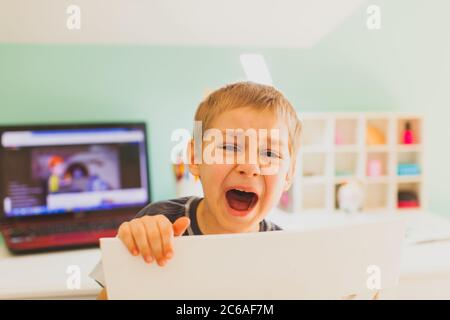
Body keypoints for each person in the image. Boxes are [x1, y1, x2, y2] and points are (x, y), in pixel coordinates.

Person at [91, 82, 302, 299]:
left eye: (269, 153)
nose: (249, 166)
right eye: (229, 147)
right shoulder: (158, 221)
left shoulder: (284, 254)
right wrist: (133, 259)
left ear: (289, 174)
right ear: (194, 157)